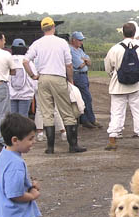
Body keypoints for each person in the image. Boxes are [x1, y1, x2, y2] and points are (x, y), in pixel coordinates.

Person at [23, 17, 86, 154]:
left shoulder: (37, 43)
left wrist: (33, 76)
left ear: (42, 28)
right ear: (53, 27)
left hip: (43, 78)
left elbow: (25, 61)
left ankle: (50, 147)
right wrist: (70, 80)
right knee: (67, 112)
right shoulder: (61, 43)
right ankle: (73, 145)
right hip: (58, 77)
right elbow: (68, 64)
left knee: (47, 112)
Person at [103, 22, 139, 151]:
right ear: (135, 33)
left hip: (118, 85)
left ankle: (112, 139)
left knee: (116, 112)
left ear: (123, 33)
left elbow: (107, 67)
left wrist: (113, 75)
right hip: (137, 84)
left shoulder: (115, 48)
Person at [69, 31, 101, 129]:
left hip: (83, 75)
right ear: (73, 40)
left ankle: (88, 120)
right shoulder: (71, 50)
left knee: (85, 98)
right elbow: (79, 65)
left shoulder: (79, 50)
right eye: (79, 40)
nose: (81, 42)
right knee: (85, 97)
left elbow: (89, 62)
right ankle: (88, 120)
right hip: (78, 75)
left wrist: (85, 60)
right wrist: (84, 61)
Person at [9, 38, 36, 118]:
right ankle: (22, 131)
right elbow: (33, 78)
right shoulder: (28, 61)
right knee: (23, 117)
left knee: (13, 117)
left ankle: (13, 131)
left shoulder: (9, 60)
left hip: (11, 94)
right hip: (25, 94)